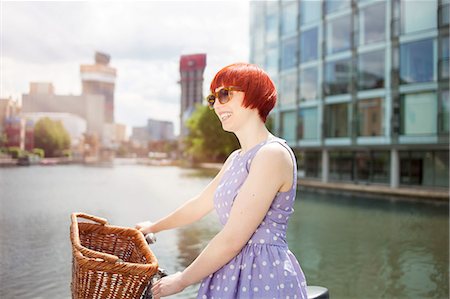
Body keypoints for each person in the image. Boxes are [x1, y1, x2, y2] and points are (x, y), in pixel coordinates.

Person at [136, 63, 308, 299]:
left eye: (224, 94)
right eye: (212, 99)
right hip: (228, 270)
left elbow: (233, 237)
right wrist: (153, 227)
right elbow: (199, 204)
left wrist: (182, 280)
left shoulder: (272, 154)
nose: (216, 105)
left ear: (255, 95)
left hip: (261, 274)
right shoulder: (236, 158)